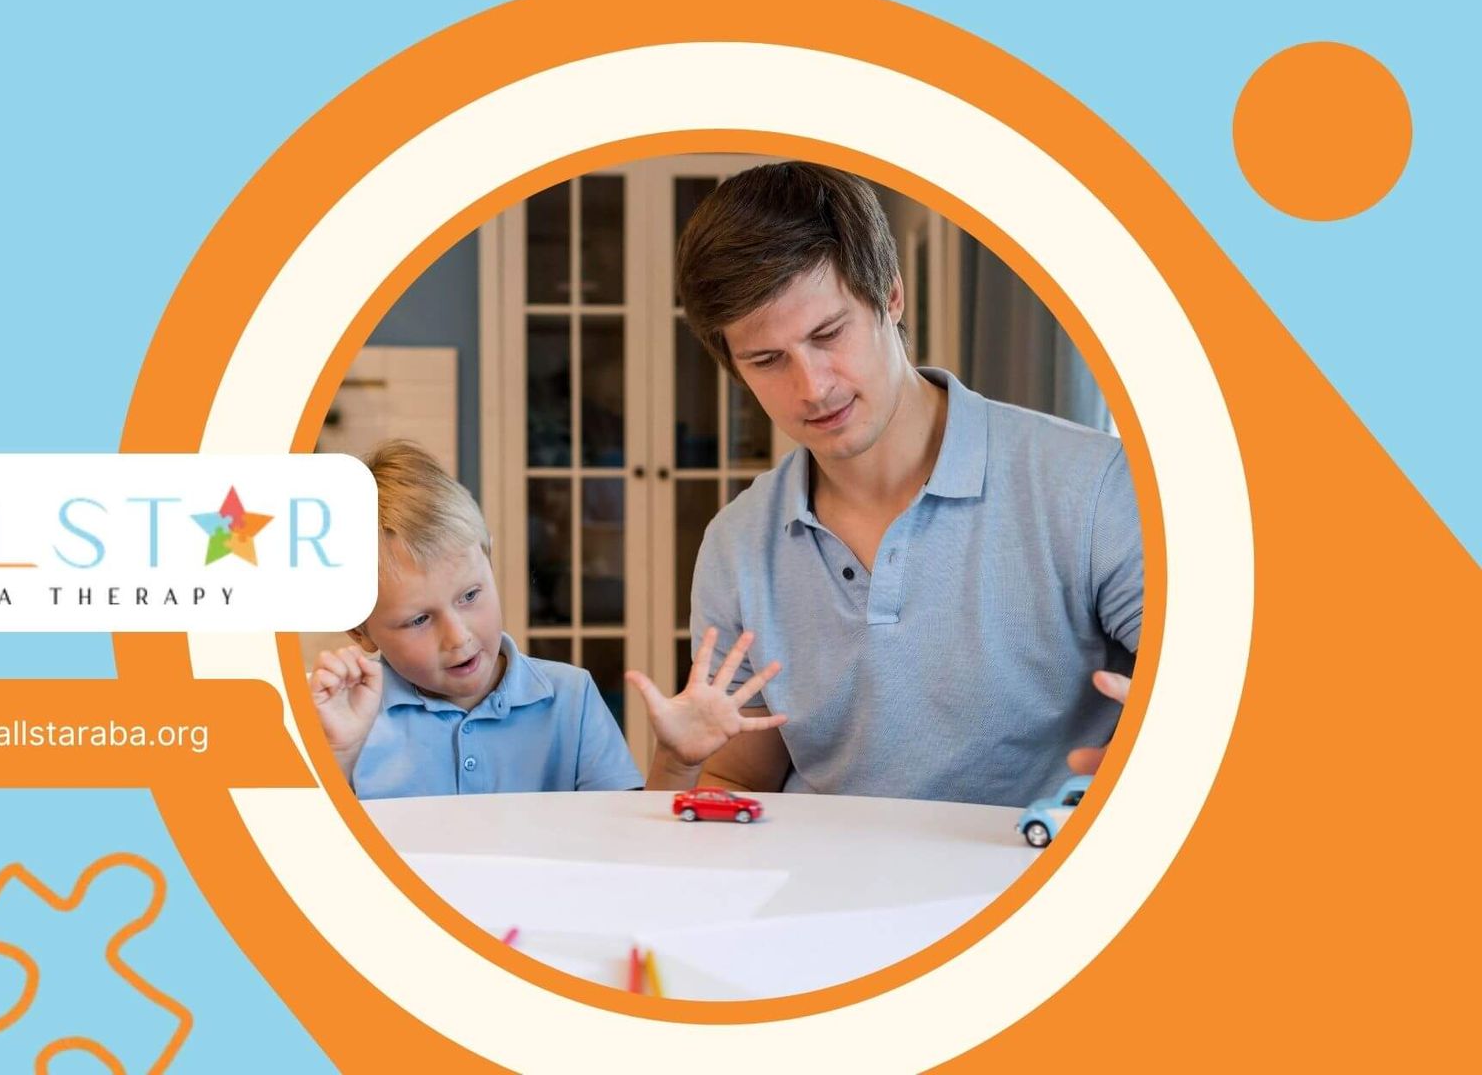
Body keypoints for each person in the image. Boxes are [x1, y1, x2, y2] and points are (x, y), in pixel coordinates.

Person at [627, 162, 1141, 807]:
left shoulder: (1090, 486)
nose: (812, 387)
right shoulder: (736, 544)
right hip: (820, 892)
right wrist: (680, 767)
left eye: (828, 334)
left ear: (890, 297)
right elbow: (736, 779)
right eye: (767, 360)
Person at [310, 440, 644, 799]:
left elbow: (626, 845)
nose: (458, 637)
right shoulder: (344, 724)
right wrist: (338, 756)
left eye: (469, 596)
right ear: (359, 631)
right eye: (420, 619)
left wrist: (675, 763)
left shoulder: (572, 699)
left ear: (489, 557)